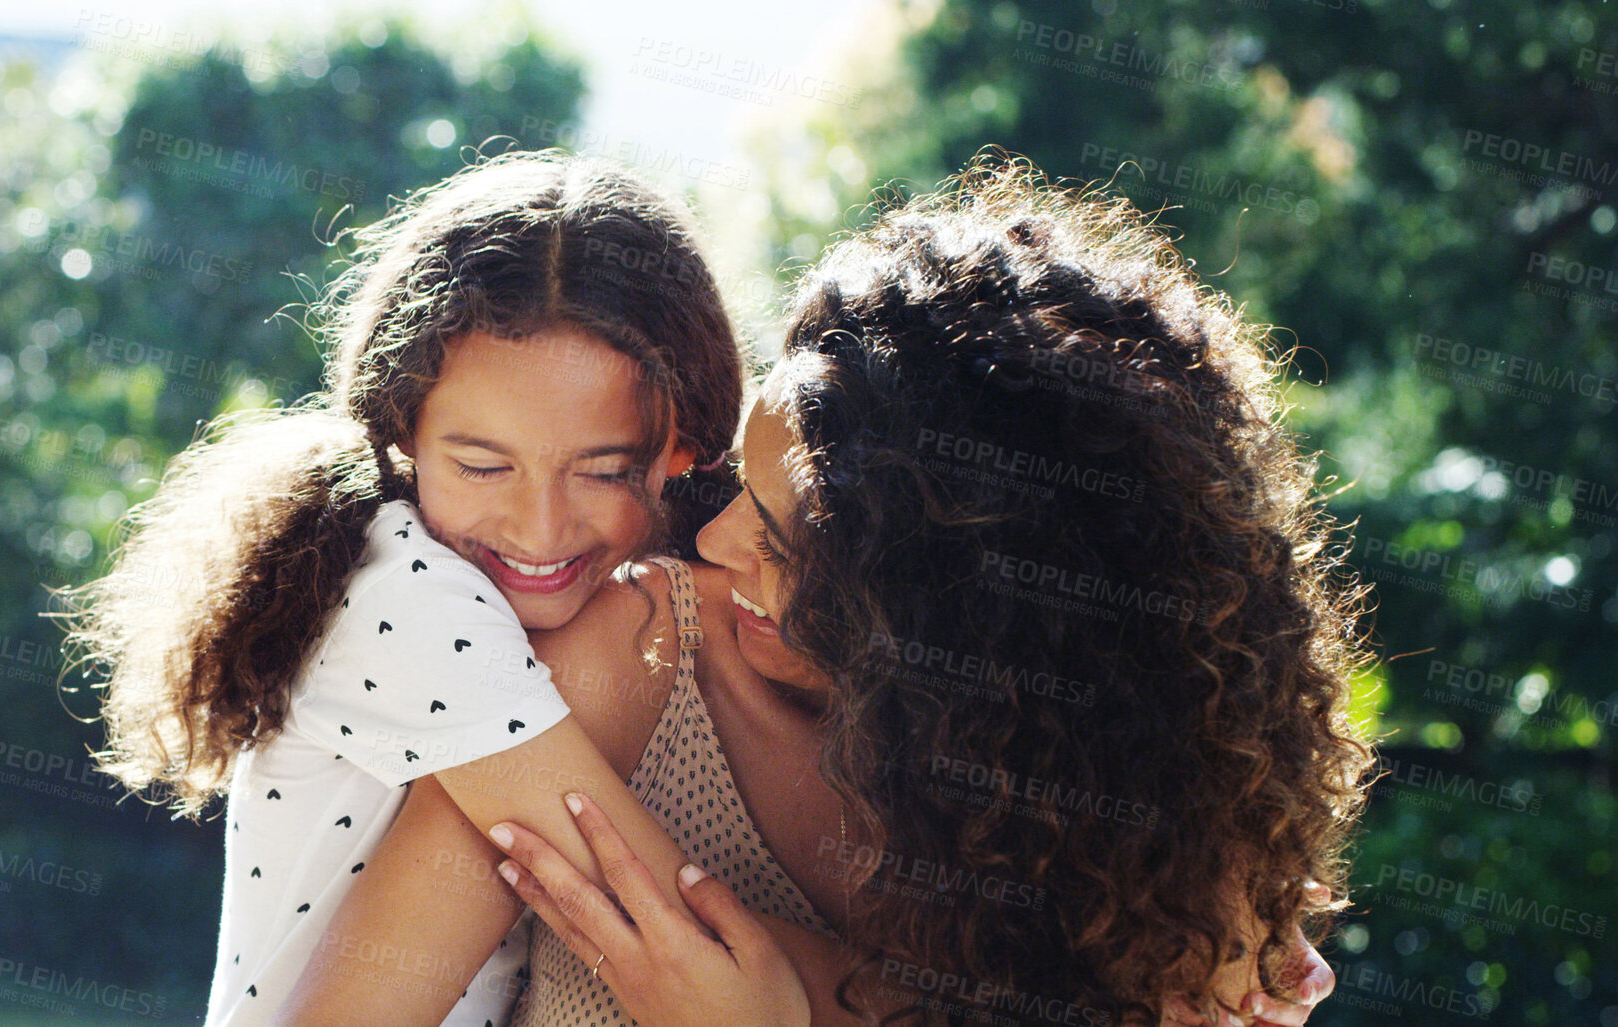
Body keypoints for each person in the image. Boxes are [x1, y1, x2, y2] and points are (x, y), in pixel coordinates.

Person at [314, 155, 1373, 1027]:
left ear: (965, 612)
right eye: (735, 486)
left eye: (785, 537)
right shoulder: (624, 665)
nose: (716, 539)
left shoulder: (1141, 838)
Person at [51, 151, 750, 1026]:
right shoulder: (405, 600)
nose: (539, 529)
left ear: (685, 448)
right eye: (482, 465)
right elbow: (667, 926)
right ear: (400, 431)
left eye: (604, 471)